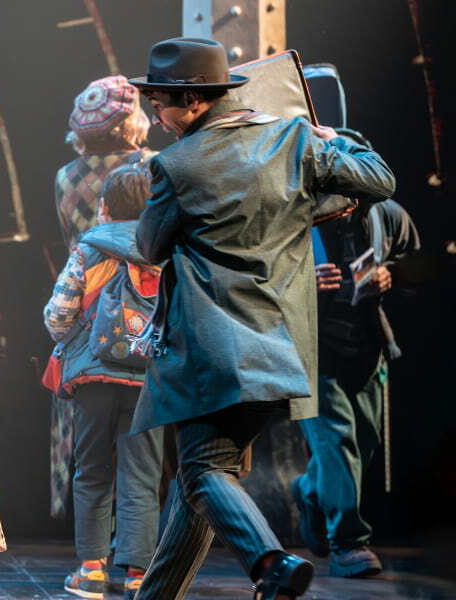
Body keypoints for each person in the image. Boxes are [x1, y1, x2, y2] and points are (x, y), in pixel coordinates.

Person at [126, 38, 396, 599]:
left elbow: (149, 246)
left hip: (213, 350)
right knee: (202, 483)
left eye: (159, 101)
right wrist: (332, 140)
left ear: (194, 100)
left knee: (200, 473)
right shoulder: (292, 140)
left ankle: (271, 562)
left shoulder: (175, 166)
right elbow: (379, 180)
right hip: (282, 347)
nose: (154, 112)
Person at [294, 129, 420, 579]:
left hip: (367, 344)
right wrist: (303, 281)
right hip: (313, 345)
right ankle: (349, 542)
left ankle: (311, 491)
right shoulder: (296, 213)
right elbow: (256, 273)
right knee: (336, 441)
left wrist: (393, 274)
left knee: (362, 445)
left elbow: (419, 262)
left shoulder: (385, 212)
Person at [43, 163, 164, 600]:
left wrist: (68, 336)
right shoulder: (165, 251)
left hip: (94, 377)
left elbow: (58, 316)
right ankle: (138, 576)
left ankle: (91, 570)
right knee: (142, 476)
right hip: (149, 381)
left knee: (92, 471)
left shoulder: (89, 250)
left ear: (105, 207)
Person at [55, 75, 155, 249]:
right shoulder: (153, 164)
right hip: (144, 274)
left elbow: (68, 237)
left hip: (88, 273)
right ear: (132, 118)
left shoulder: (65, 175)